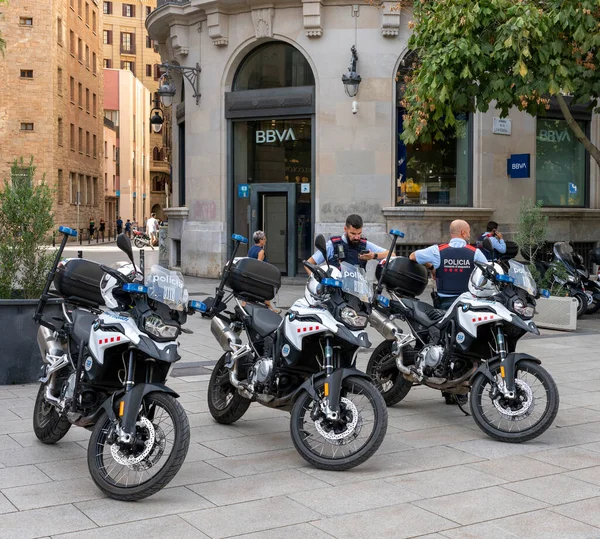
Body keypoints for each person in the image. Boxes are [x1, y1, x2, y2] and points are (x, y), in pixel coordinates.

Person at [410, 220, 487, 406]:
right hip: (468, 305)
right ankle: (459, 391)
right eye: (468, 232)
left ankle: (447, 386)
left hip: (445, 305)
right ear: (462, 233)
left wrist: (431, 267)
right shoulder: (474, 252)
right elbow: (489, 272)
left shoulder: (439, 250)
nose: (469, 235)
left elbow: (412, 257)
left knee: (446, 343)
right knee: (466, 344)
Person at [306, 214, 389, 273]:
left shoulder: (365, 244)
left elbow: (391, 254)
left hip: (358, 293)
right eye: (353, 233)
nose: (357, 237)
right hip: (336, 293)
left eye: (359, 233)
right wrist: (316, 282)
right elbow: (308, 264)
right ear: (345, 229)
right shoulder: (332, 245)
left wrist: (374, 255)